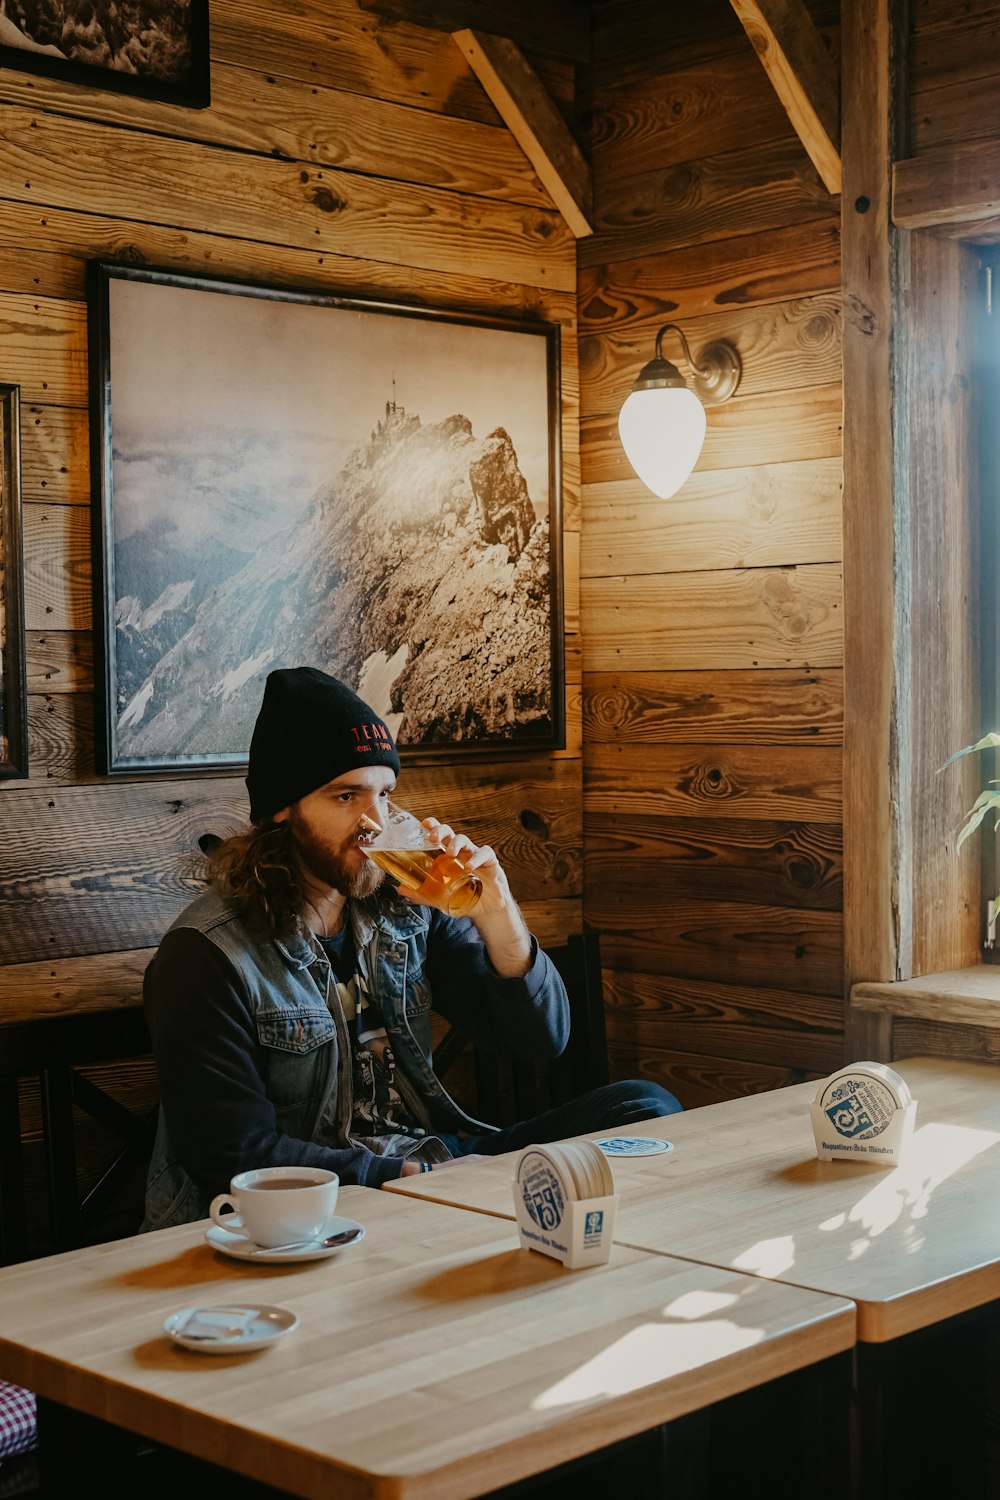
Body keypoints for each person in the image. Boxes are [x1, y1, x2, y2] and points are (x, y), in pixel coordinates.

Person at [142, 667, 680, 1230]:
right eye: (346, 796)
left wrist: (496, 915)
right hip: (309, 1214)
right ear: (283, 808)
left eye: (384, 795)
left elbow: (539, 1039)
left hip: (431, 1163)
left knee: (643, 1110)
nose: (374, 823)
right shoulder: (205, 955)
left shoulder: (405, 905)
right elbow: (233, 1156)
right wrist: (410, 1178)